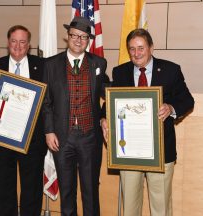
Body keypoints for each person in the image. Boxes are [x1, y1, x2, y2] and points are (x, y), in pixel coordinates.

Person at [102, 28, 194, 216]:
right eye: (132, 49)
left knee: (160, 206)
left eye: (141, 48)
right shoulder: (120, 72)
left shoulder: (170, 70)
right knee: (129, 206)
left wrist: (170, 107)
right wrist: (104, 118)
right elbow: (111, 101)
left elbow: (187, 100)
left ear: (151, 47)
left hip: (160, 150)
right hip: (129, 152)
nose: (136, 53)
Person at [42, 16, 110, 216]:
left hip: (90, 137)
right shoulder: (51, 65)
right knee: (67, 190)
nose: (78, 40)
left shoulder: (99, 63)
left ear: (88, 40)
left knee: (90, 191)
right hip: (62, 138)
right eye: (74, 36)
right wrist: (49, 131)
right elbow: (46, 102)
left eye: (83, 37)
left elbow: (107, 93)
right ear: (67, 37)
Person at [0, 25, 47, 216]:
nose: (17, 46)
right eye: (13, 41)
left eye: (22, 42)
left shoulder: (42, 65)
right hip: (3, 138)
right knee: (5, 189)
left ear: (29, 45)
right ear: (7, 42)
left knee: (32, 190)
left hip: (33, 139)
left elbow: (48, 98)